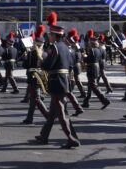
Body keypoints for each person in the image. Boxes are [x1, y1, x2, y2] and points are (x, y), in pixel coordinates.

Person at [33, 12, 80, 149]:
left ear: (54, 35)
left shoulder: (54, 47)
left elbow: (49, 66)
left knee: (61, 112)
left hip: (57, 82)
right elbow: (70, 64)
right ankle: (44, 136)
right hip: (63, 80)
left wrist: (41, 60)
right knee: (54, 111)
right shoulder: (65, 47)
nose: (49, 36)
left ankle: (71, 138)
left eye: (50, 34)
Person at [22, 25, 49, 124]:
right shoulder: (45, 54)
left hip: (33, 77)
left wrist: (25, 57)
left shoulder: (30, 54)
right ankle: (29, 118)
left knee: (36, 98)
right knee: (33, 99)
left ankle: (48, 115)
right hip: (41, 76)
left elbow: (25, 66)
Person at [82, 30, 111, 110]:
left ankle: (105, 100)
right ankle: (86, 101)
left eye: (90, 43)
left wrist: (84, 56)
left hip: (92, 68)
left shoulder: (92, 50)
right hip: (96, 68)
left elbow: (88, 60)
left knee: (94, 86)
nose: (88, 44)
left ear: (91, 43)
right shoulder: (98, 50)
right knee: (90, 85)